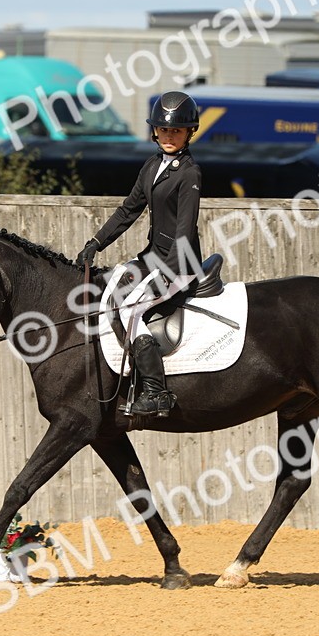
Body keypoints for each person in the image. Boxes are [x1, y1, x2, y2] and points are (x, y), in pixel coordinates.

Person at [76, 90, 204, 417]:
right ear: (154, 131)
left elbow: (184, 232)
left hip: (180, 265)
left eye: (176, 130)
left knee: (131, 309)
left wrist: (166, 274)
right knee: (111, 294)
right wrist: (96, 242)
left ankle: (157, 392)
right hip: (152, 257)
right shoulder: (151, 166)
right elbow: (128, 210)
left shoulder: (189, 173)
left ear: (190, 132)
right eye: (164, 130)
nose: (169, 136)